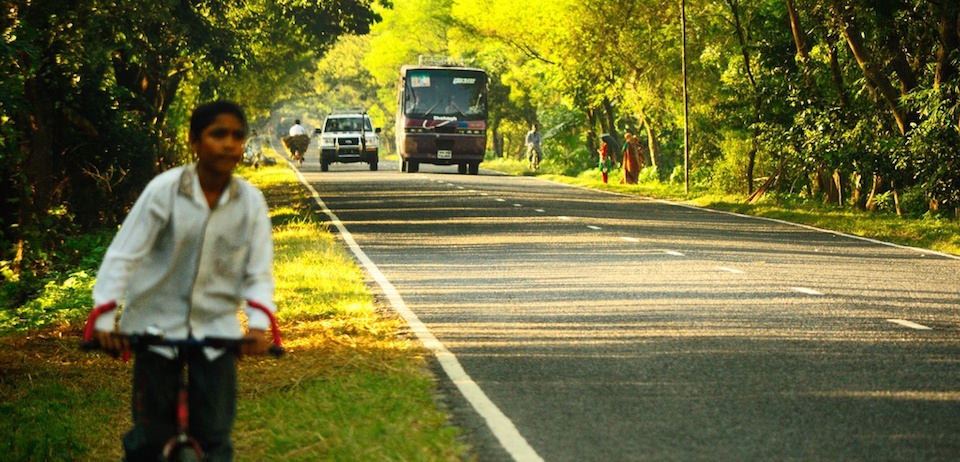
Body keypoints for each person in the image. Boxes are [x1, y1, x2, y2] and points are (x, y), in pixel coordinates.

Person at [90, 100, 276, 461]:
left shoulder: (250, 202)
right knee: (149, 437)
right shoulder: (165, 190)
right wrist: (103, 321)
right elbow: (123, 255)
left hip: (216, 331)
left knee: (215, 437)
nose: (228, 144)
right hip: (154, 329)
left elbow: (258, 271)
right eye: (217, 134)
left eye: (237, 136)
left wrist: (256, 325)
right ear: (194, 141)